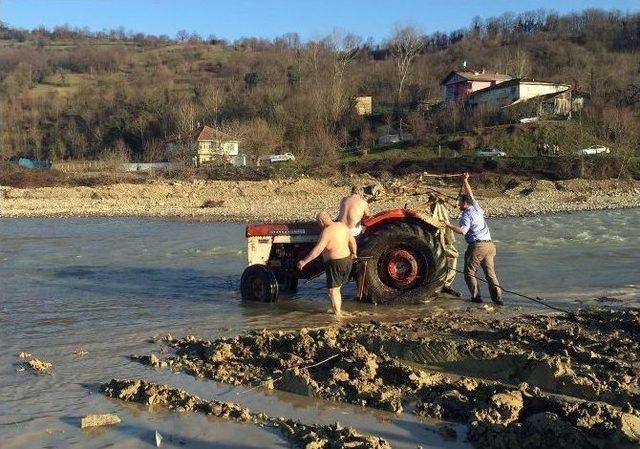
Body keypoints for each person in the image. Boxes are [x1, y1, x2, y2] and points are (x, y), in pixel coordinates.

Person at [445, 173, 503, 305]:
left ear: (465, 203)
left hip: (477, 247)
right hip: (490, 246)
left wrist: (449, 225)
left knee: (469, 272)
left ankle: (476, 297)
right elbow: (471, 195)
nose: (457, 202)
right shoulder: (477, 208)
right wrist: (465, 181)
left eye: (459, 201)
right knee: (490, 273)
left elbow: (463, 231)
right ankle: (498, 299)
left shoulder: (466, 214)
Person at [297, 211, 357, 317]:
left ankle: (338, 315)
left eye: (318, 222)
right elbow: (352, 241)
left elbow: (318, 249)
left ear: (321, 221)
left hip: (335, 263)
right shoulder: (342, 226)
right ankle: (338, 310)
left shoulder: (326, 232)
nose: (318, 225)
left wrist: (305, 261)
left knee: (332, 291)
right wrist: (354, 253)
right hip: (347, 261)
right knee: (337, 288)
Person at [425, 193, 461, 297]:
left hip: (442, 241)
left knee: (450, 256)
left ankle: (444, 283)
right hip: (440, 240)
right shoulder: (438, 213)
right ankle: (443, 283)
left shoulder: (439, 214)